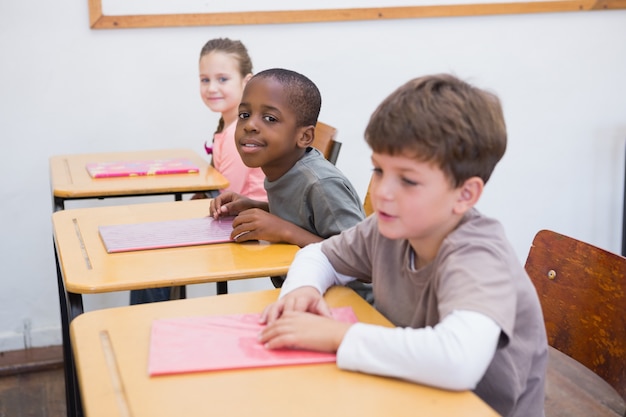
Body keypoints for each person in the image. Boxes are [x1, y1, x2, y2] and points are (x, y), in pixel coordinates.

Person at [258, 74, 548, 417]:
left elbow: (458, 361)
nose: (382, 192)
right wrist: (302, 289)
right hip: (407, 394)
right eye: (379, 170)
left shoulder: (478, 256)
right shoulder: (388, 228)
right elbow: (319, 255)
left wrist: (337, 335)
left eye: (408, 180)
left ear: (465, 194)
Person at [210, 68, 372, 302]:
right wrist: (254, 206)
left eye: (270, 119)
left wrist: (284, 231)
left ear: (304, 137)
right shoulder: (283, 169)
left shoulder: (321, 184)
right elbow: (306, 218)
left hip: (350, 306)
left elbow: (364, 266)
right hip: (307, 296)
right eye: (244, 115)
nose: (250, 125)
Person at [130, 38, 266, 305]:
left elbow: (231, 195)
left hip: (248, 225)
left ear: (246, 82)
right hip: (236, 219)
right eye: (205, 80)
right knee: (149, 243)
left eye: (222, 79)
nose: (212, 88)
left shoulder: (239, 133)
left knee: (149, 256)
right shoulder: (230, 129)